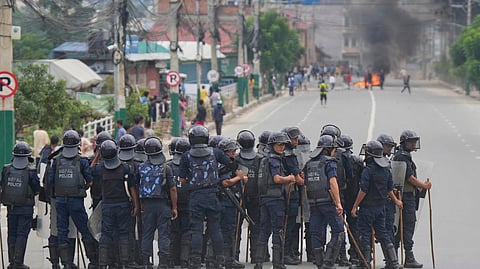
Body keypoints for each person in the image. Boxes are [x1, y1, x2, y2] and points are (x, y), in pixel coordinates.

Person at [178, 125, 233, 269]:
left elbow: (182, 180)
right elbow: (231, 164)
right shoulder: (215, 152)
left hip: (195, 197)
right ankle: (219, 259)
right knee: (215, 228)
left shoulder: (186, 156)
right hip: (212, 195)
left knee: (196, 230)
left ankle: (196, 260)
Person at [48, 130, 98, 269]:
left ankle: (67, 263)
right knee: (85, 229)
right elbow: (90, 180)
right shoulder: (81, 161)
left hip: (60, 201)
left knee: (62, 230)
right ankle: (93, 260)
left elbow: (51, 182)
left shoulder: (56, 161)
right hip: (76, 201)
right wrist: (82, 187)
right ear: (77, 144)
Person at [351, 140, 403, 269]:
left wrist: (355, 206)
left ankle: (365, 262)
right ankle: (393, 262)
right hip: (381, 208)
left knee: (365, 233)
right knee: (383, 233)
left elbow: (363, 190)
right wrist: (396, 201)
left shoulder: (368, 171)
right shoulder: (386, 170)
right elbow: (389, 189)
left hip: (367, 208)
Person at [252, 132, 298, 269]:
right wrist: (289, 179)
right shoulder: (274, 160)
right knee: (278, 230)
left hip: (264, 198)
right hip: (275, 199)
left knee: (264, 229)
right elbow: (277, 179)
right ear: (272, 145)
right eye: (279, 144)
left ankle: (258, 262)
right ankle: (277, 263)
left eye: (284, 144)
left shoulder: (264, 159)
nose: (282, 147)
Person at [94, 139, 140, 269]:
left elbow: (91, 169)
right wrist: (136, 205)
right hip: (123, 205)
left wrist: (98, 155)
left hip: (107, 206)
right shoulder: (125, 168)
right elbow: (132, 188)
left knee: (106, 234)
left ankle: (103, 263)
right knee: (124, 233)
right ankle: (124, 262)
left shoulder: (100, 169)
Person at [303, 135, 344, 269]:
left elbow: (304, 183)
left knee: (315, 232)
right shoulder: (329, 162)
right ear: (328, 149)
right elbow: (332, 182)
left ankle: (320, 263)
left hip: (313, 203)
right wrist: (338, 203)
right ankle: (328, 262)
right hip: (328, 202)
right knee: (338, 231)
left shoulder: (309, 164)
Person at [393, 130, 432, 268]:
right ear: (404, 143)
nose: (414, 144)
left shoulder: (403, 156)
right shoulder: (402, 157)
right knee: (406, 225)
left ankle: (395, 259)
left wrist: (420, 189)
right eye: (411, 141)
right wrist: (424, 185)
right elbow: (409, 177)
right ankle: (406, 258)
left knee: (401, 226)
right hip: (404, 197)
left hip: (406, 196)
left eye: (415, 141)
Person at [138, 137, 178, 268]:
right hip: (163, 205)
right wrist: (174, 207)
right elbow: (172, 189)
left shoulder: (141, 168)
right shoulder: (166, 168)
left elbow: (136, 186)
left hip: (147, 205)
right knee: (163, 234)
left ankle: (146, 262)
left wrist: (141, 204)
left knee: (147, 233)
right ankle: (163, 263)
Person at [1, 142, 40, 269]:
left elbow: (3, 185)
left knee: (12, 233)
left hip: (11, 207)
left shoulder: (6, 168)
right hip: (26, 208)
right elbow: (36, 189)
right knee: (22, 234)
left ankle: (12, 262)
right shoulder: (31, 170)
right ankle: (18, 262)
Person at [217, 138, 246, 269]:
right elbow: (225, 182)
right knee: (227, 231)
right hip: (226, 202)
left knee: (229, 231)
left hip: (229, 202)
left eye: (234, 151)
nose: (234, 153)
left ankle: (228, 258)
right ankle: (227, 260)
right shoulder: (224, 165)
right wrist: (238, 178)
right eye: (231, 151)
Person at [281, 127, 304, 265]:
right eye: (294, 138)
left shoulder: (284, 154)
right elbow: (298, 179)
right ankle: (286, 254)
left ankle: (287, 253)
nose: (297, 140)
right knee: (289, 225)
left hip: (285, 193)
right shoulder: (289, 156)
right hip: (290, 193)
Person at [167, 138, 191, 268]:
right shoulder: (192, 165)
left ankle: (171, 259)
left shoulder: (168, 165)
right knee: (186, 231)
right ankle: (184, 259)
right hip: (187, 203)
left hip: (171, 204)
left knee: (173, 231)